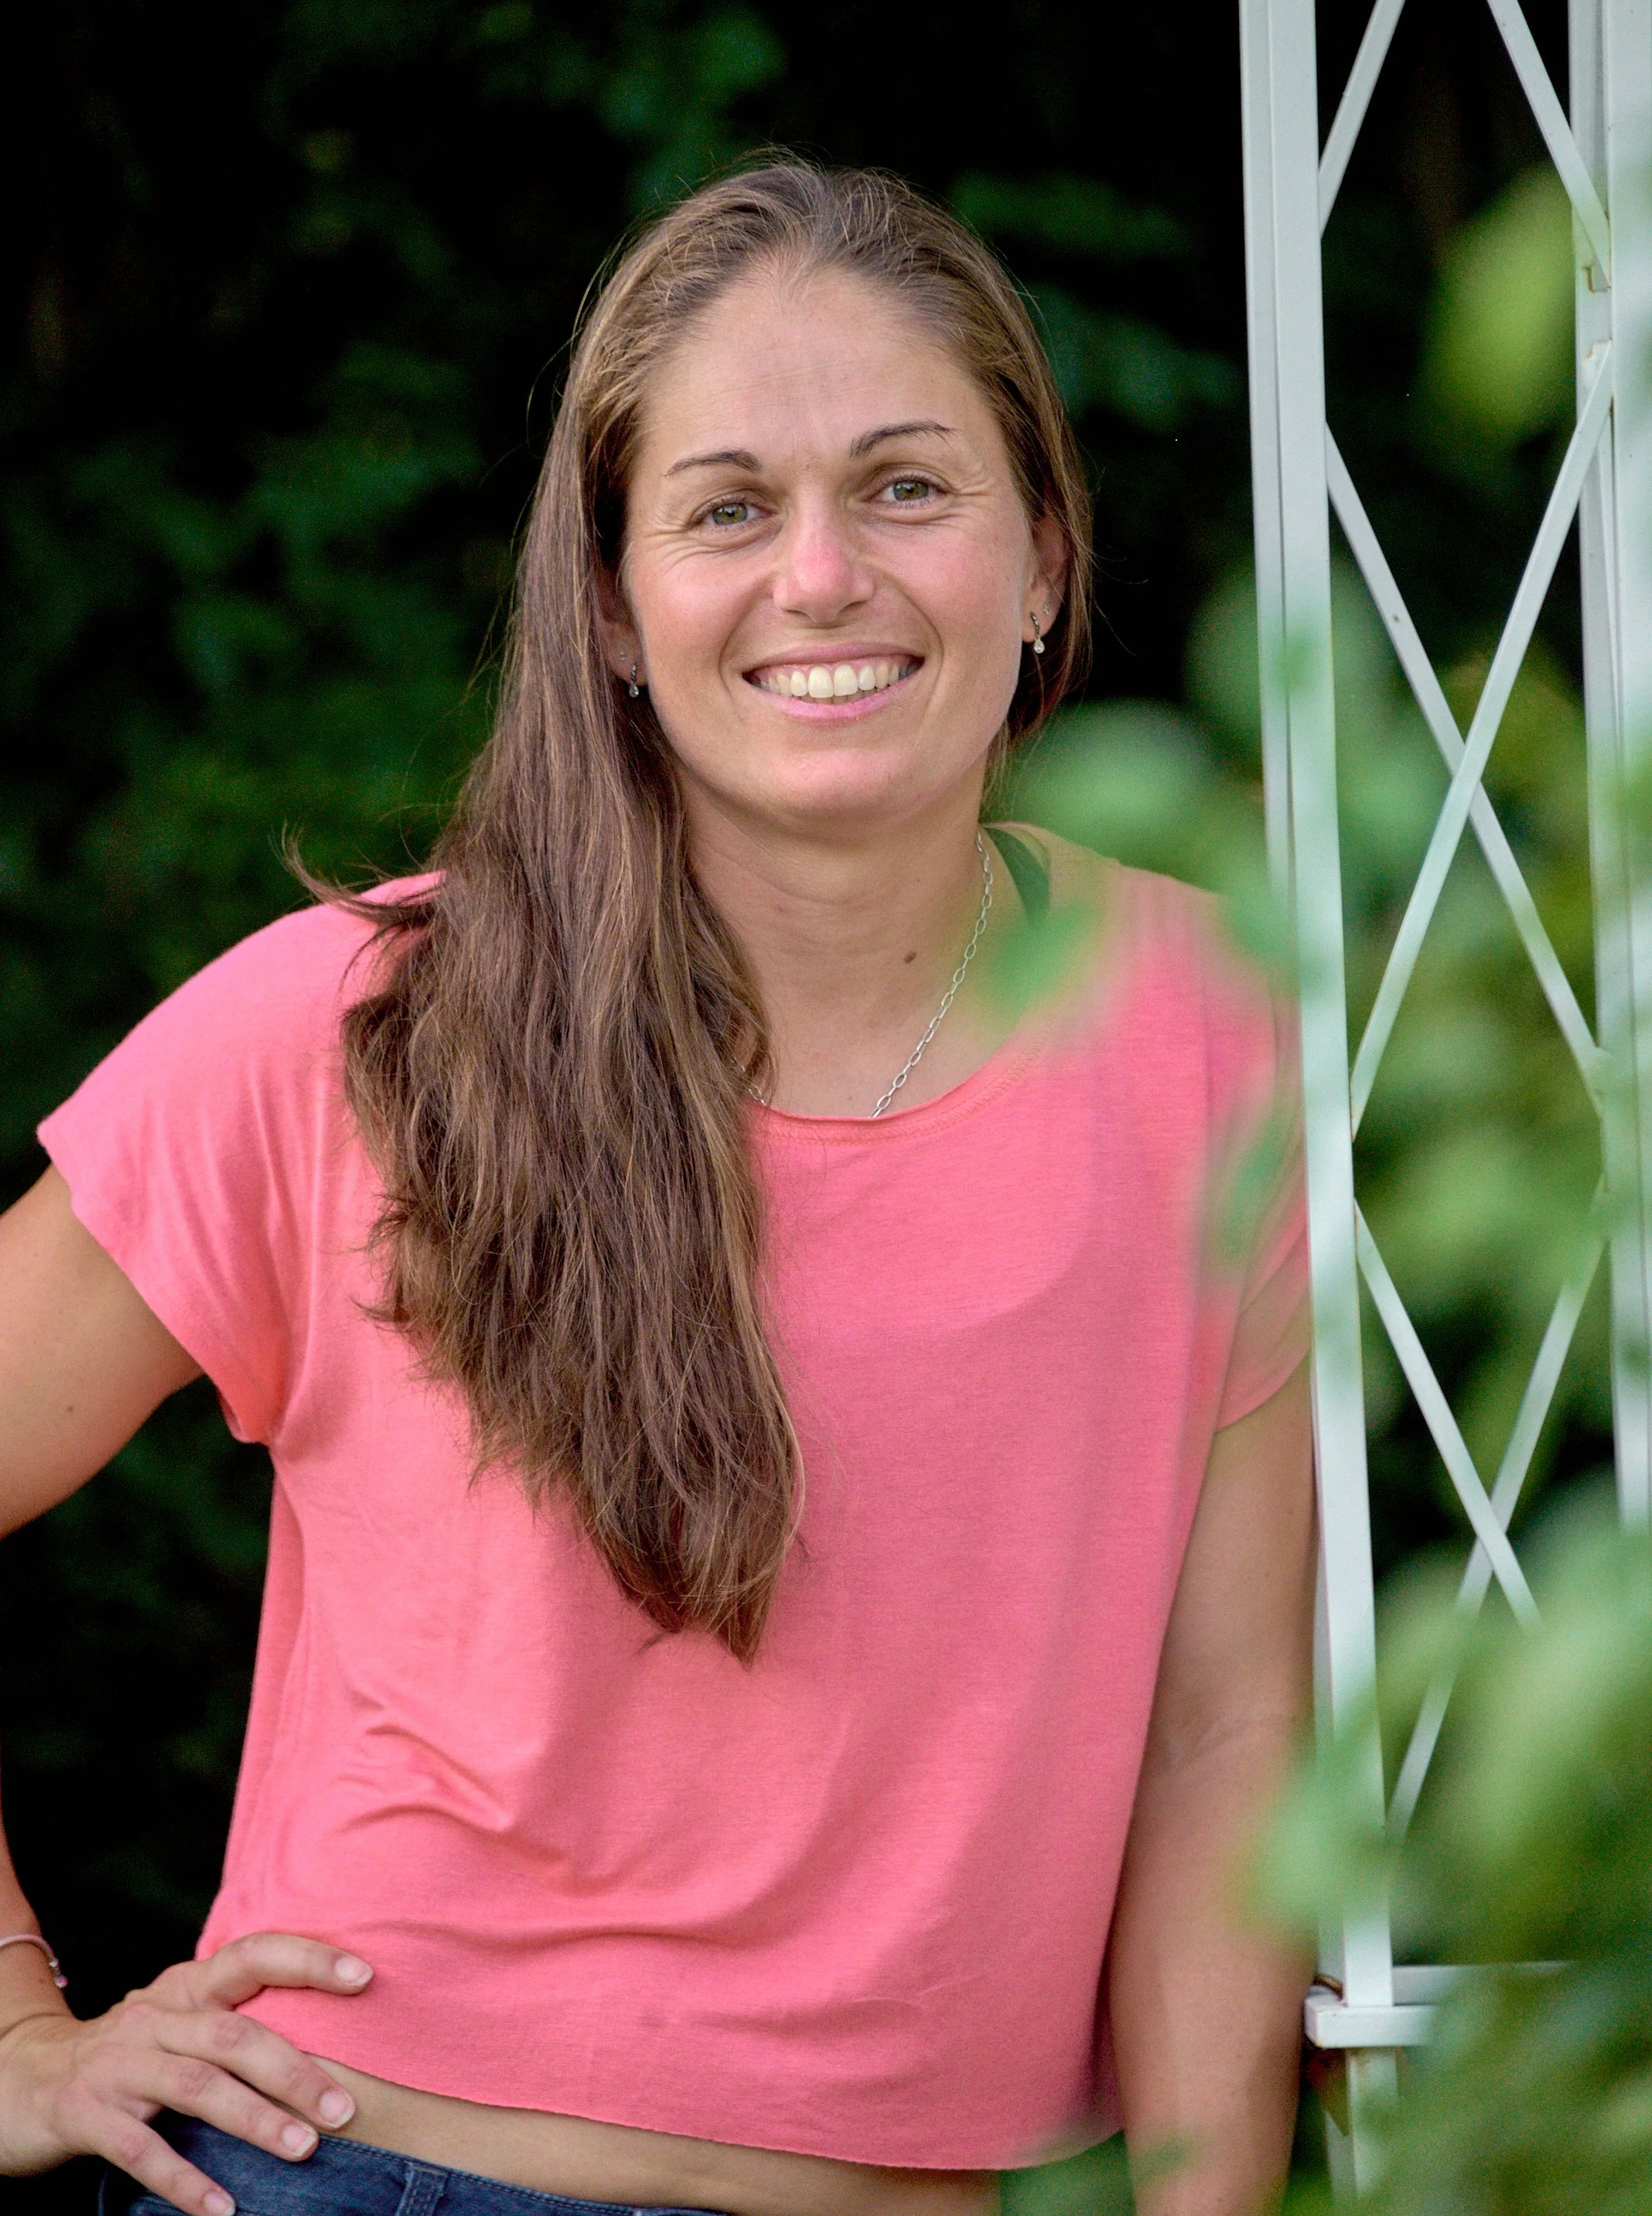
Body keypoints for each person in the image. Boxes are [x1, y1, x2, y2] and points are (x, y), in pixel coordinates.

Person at [0, 163, 1315, 2216]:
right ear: (610, 606)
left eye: (905, 487)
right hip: (371, 2181)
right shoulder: (361, 1034)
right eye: (726, 507)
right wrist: (16, 2036)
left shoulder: (1204, 1030)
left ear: (1045, 560)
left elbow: (1228, 1740)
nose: (823, 577)